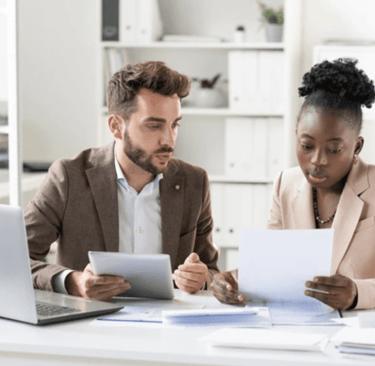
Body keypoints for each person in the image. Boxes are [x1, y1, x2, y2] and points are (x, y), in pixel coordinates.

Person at [26, 61, 219, 301]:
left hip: (168, 328)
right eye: (153, 126)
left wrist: (202, 280)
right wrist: (72, 282)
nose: (169, 140)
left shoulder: (194, 182)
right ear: (116, 127)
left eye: (174, 124)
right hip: (87, 327)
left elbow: (211, 271)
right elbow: (13, 258)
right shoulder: (69, 177)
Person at [212, 58, 375, 310]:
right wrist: (231, 281)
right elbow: (272, 264)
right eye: (307, 146)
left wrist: (357, 294)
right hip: (299, 329)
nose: (317, 161)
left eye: (333, 149)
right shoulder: (286, 184)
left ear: (357, 146)